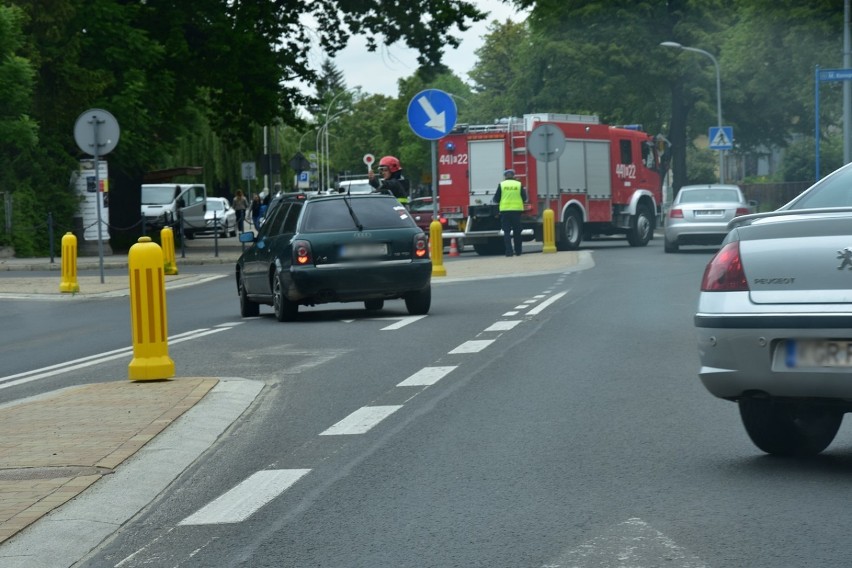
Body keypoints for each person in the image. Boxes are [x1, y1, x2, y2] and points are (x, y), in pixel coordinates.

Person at [493, 169, 528, 257]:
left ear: (505, 176)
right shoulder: (518, 184)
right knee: (517, 232)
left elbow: (496, 199)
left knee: (507, 232)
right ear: (513, 175)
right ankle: (518, 251)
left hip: (505, 211)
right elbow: (524, 198)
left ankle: (509, 252)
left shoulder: (502, 184)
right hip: (516, 211)